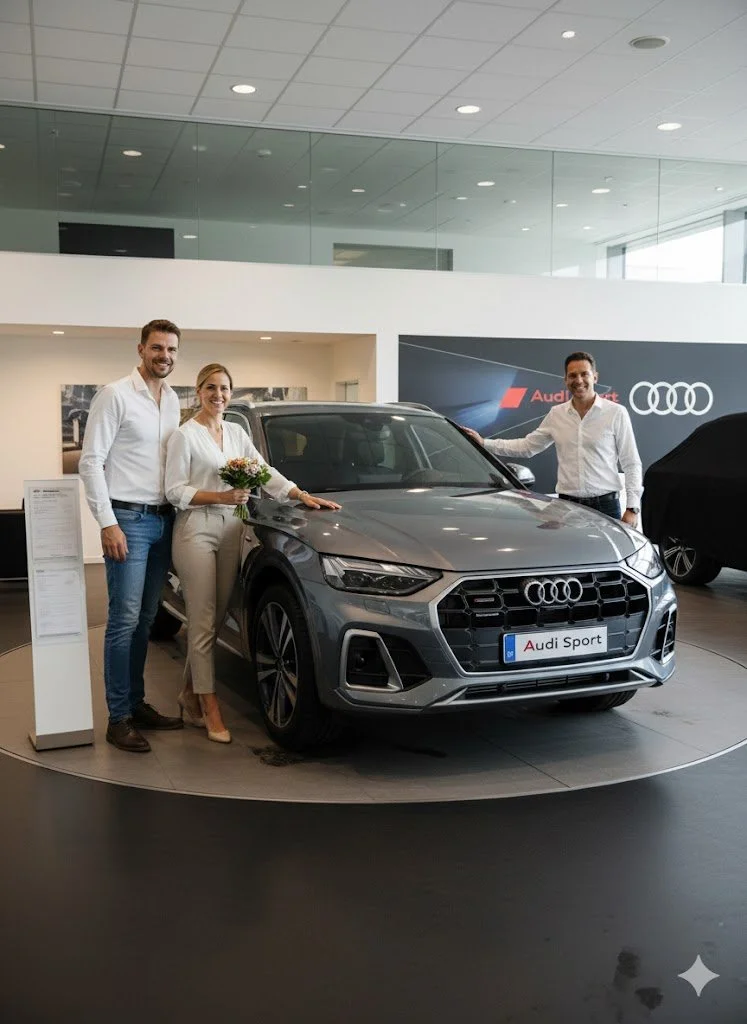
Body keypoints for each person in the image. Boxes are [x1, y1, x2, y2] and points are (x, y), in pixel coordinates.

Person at [164, 363, 341, 744]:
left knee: (219, 612)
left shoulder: (236, 431)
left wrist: (300, 495)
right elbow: (174, 491)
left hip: (232, 527)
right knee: (202, 616)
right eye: (210, 388)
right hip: (196, 529)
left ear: (231, 392)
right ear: (198, 391)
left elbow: (263, 470)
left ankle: (187, 696)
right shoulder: (185, 436)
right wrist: (221, 496)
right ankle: (209, 705)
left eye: (224, 388)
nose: (218, 394)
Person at [79, 319, 184, 753]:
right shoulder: (115, 395)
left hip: (164, 521)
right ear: (140, 349)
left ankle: (136, 704)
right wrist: (107, 522)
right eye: (157, 348)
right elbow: (90, 462)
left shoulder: (174, 399)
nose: (165, 356)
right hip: (129, 521)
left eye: (172, 350)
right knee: (122, 622)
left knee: (144, 621)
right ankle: (118, 717)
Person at [463, 351, 642, 525]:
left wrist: (632, 508)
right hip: (567, 507)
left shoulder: (616, 413)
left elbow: (631, 462)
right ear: (565, 380)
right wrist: (484, 443)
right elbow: (527, 446)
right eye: (572, 376)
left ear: (595, 377)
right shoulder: (557, 414)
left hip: (606, 506)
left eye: (584, 374)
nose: (578, 380)